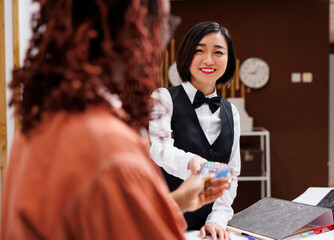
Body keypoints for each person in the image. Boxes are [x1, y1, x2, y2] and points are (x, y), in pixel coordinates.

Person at [1, 1, 230, 239]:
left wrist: (178, 201)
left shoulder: (41, 120)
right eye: (163, 26)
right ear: (134, 30)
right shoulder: (112, 150)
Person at [149, 21, 241, 240]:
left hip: (207, 232)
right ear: (187, 55)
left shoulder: (232, 112)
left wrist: (217, 218)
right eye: (199, 51)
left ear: (228, 61)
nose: (209, 60)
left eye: (218, 52)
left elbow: (232, 174)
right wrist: (189, 162)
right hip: (165, 224)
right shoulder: (163, 98)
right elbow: (159, 149)